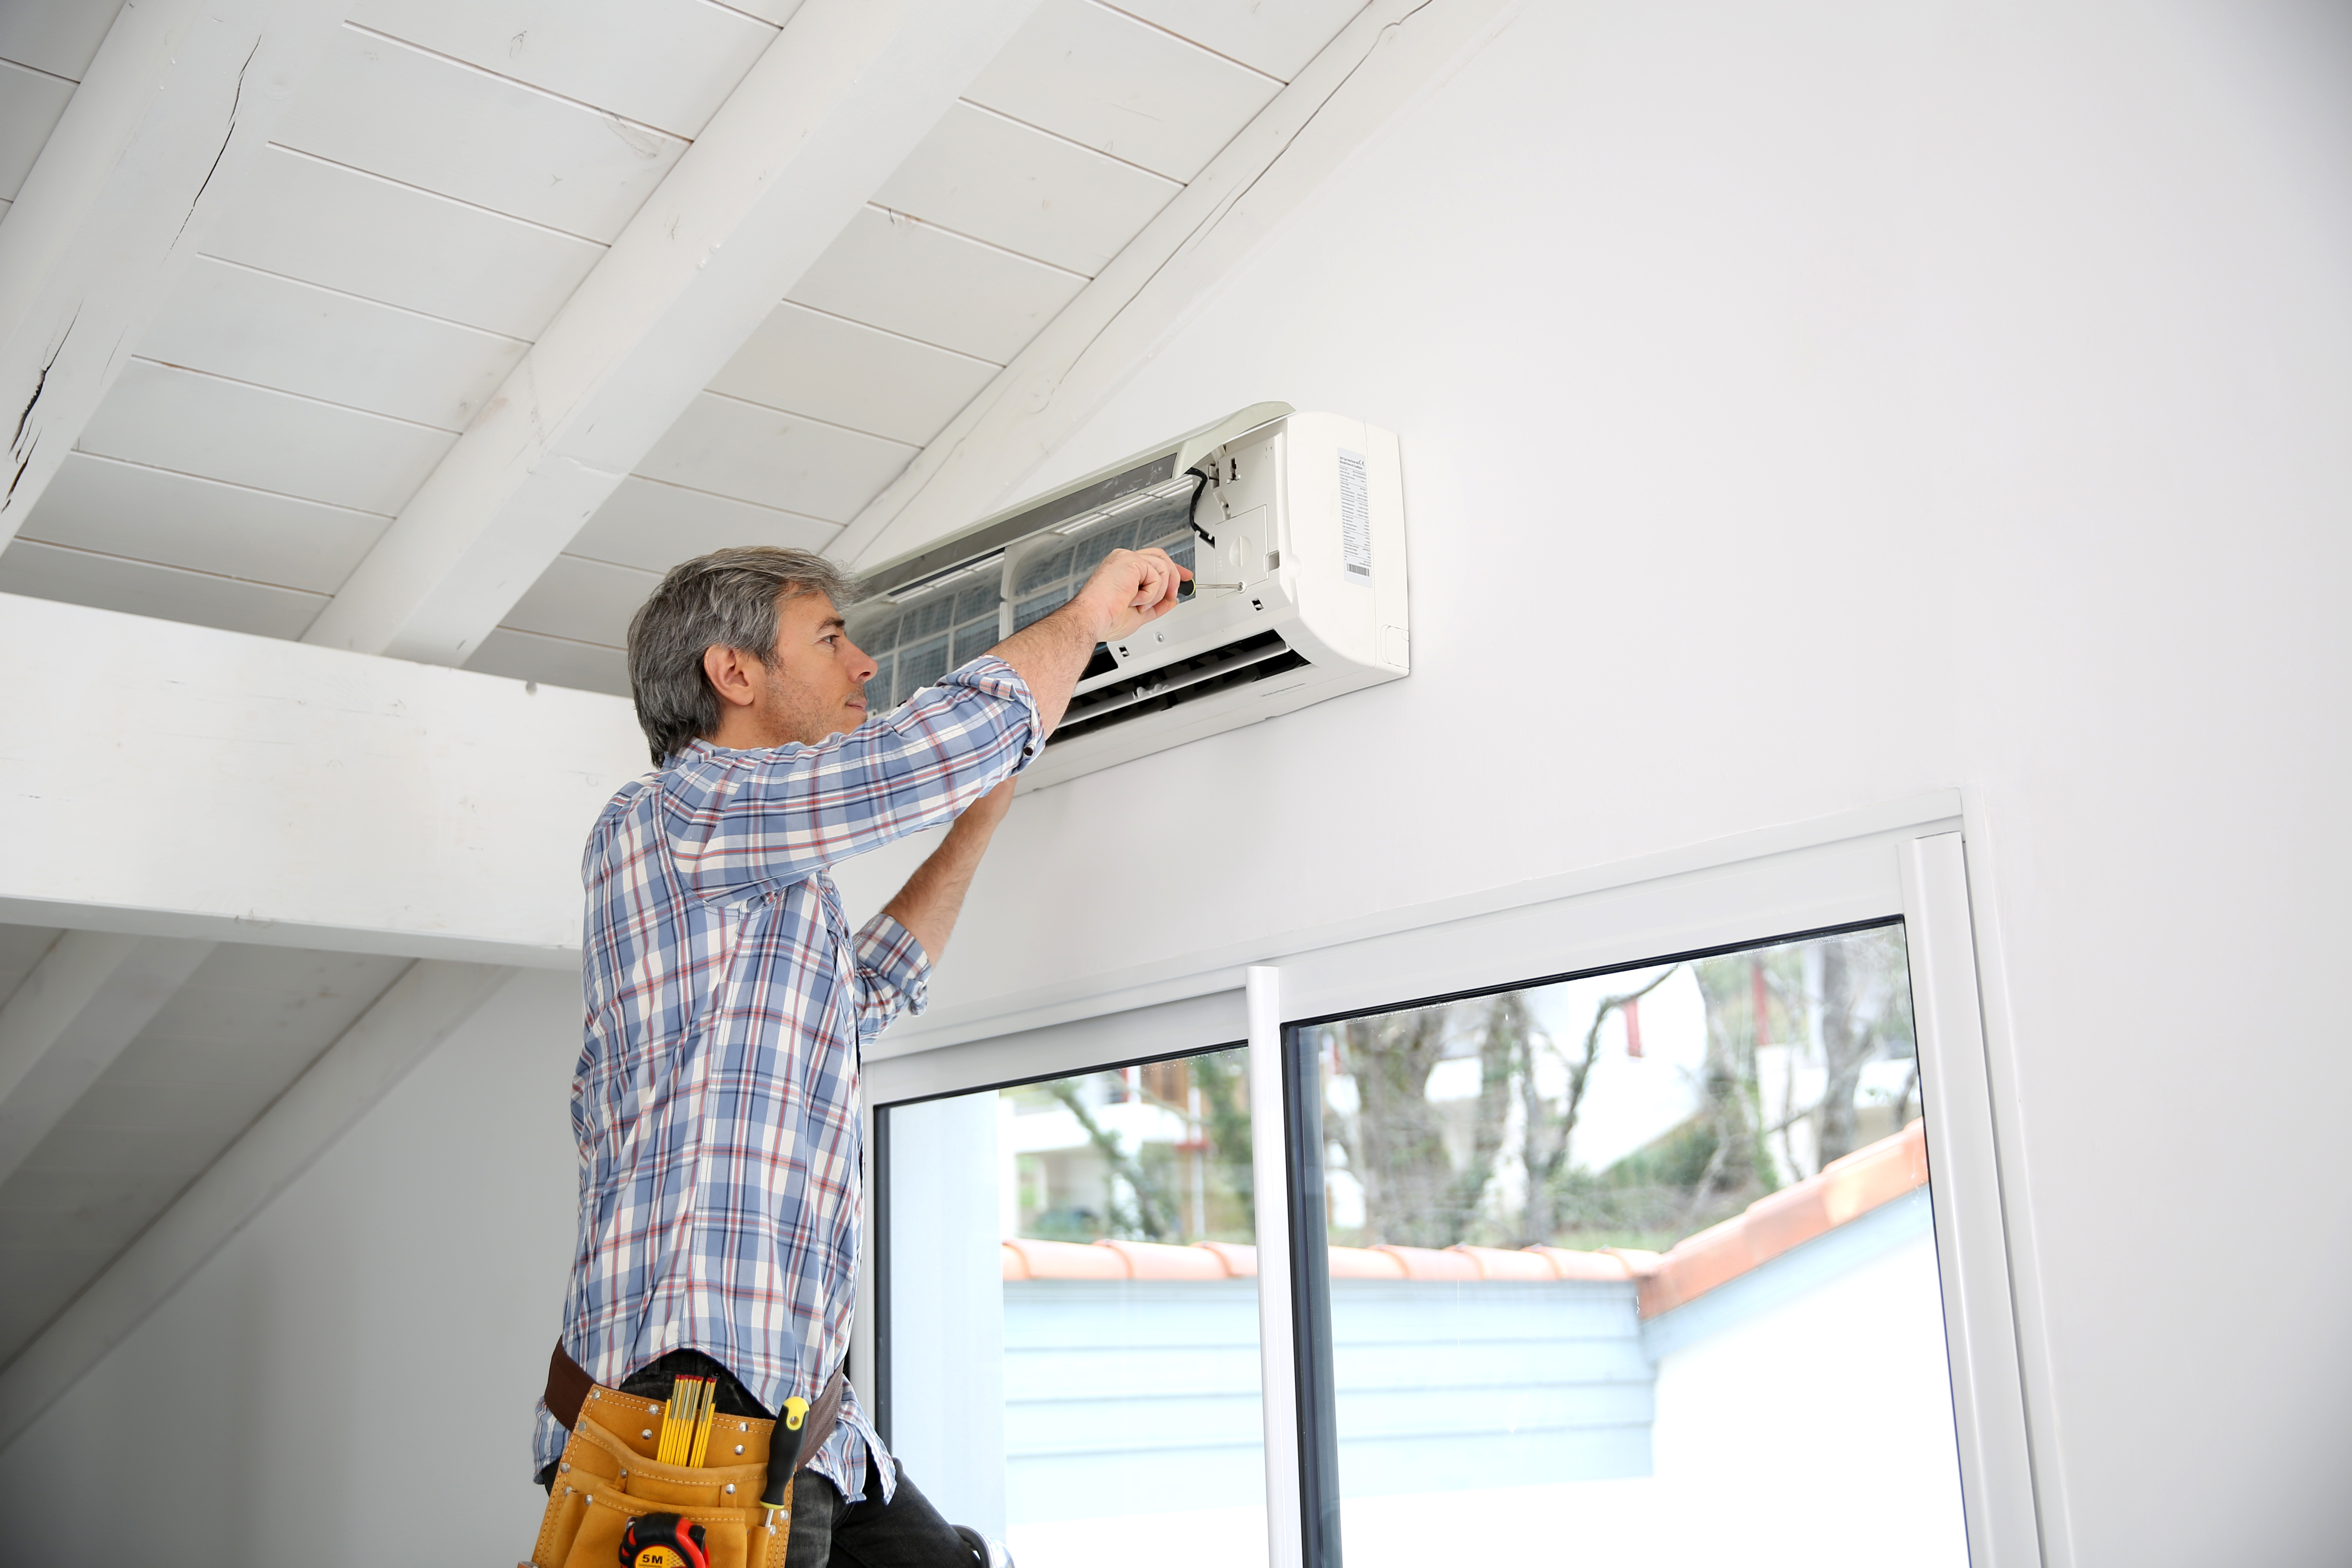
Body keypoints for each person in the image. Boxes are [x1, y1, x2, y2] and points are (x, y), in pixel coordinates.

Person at [529, 541, 1188, 1568]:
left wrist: (974, 824)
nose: (864, 663)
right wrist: (1087, 617)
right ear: (733, 674)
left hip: (796, 1423)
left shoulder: (758, 881)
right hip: (683, 1428)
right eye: (831, 638)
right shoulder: (676, 817)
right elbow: (919, 758)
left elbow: (863, 991)